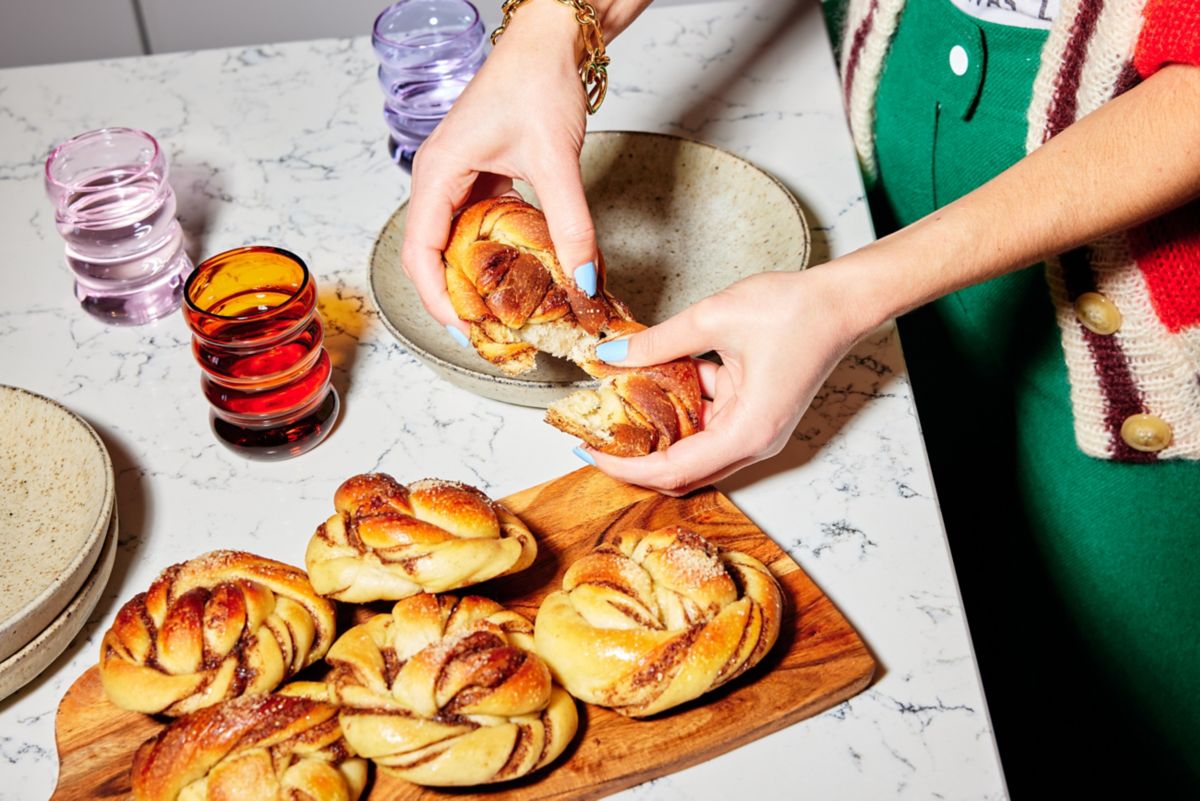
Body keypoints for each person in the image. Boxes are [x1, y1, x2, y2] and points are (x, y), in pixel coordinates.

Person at [400, 0, 1199, 792]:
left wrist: (850, 297)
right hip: (896, 98)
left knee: (1129, 714)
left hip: (1143, 347)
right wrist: (558, 26)